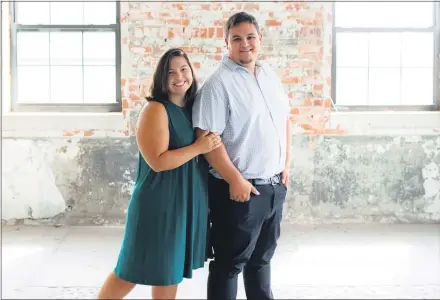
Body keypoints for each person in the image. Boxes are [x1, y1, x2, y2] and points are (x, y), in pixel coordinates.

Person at [98, 48, 222, 300]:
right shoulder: (155, 109)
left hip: (184, 203)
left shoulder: (191, 108)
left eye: (184, 69)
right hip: (158, 204)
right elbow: (158, 161)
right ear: (161, 79)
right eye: (171, 72)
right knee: (131, 270)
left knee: (170, 270)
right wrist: (199, 147)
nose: (179, 76)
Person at [192, 12, 292, 300]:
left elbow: (284, 119)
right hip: (239, 192)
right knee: (228, 265)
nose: (244, 44)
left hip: (274, 188)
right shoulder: (217, 85)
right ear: (226, 42)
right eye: (236, 38)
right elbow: (206, 139)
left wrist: (285, 165)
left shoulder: (268, 73)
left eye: (250, 37)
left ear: (260, 39)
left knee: (261, 261)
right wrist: (235, 180)